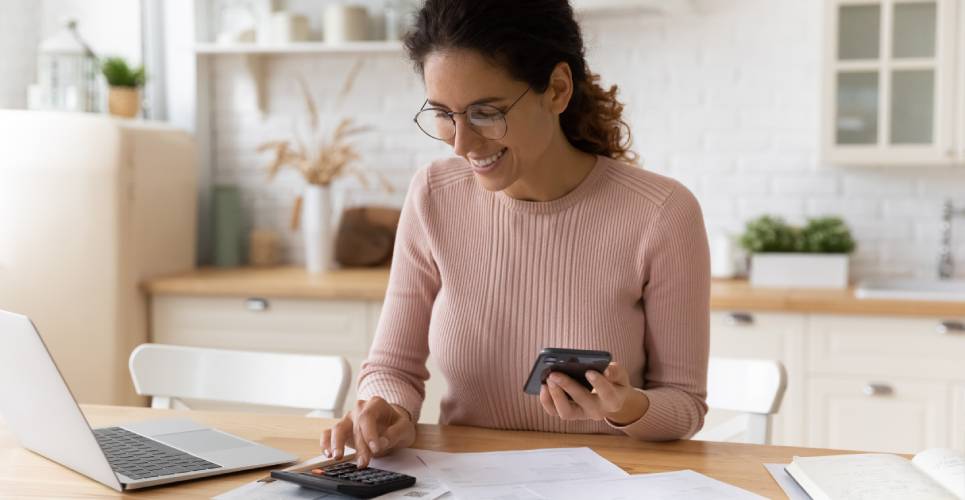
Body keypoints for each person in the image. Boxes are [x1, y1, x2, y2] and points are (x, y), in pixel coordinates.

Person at [321, 0, 710, 467]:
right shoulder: (434, 196)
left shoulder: (661, 213)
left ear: (558, 90)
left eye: (486, 112)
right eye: (444, 113)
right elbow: (392, 367)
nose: (461, 144)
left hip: (605, 483)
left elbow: (685, 405)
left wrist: (624, 407)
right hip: (464, 483)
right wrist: (386, 407)